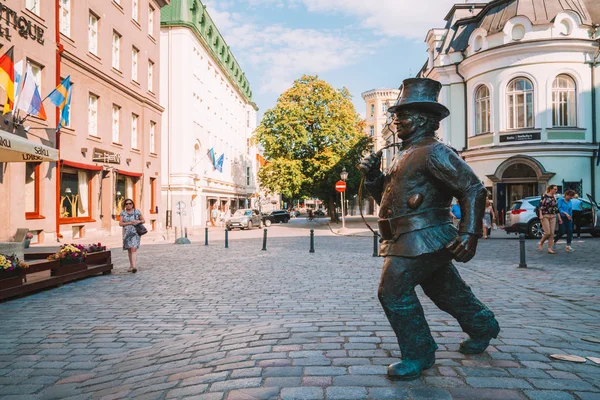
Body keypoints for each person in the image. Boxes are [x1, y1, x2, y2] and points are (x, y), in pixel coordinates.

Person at [359, 78, 499, 381]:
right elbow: (387, 198)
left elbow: (473, 189)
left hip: (425, 235)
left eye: (403, 116)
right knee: (445, 290)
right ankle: (482, 326)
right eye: (396, 116)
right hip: (407, 237)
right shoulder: (404, 154)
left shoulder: (435, 152)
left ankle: (419, 353)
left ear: (423, 120)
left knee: (393, 291)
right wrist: (373, 176)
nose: (396, 122)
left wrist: (469, 234)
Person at [118, 199, 145, 273]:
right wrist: (129, 223)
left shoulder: (137, 212)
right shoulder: (123, 213)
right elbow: (120, 223)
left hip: (136, 233)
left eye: (130, 203)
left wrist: (138, 221)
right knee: (130, 249)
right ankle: (131, 266)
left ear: (132, 204)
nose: (128, 205)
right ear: (125, 205)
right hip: (127, 233)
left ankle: (133, 267)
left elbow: (143, 220)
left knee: (133, 248)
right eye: (126, 204)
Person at [538, 185, 561, 254]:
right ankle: (541, 242)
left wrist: (559, 218)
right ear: (550, 189)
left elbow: (556, 208)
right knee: (547, 232)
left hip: (553, 215)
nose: (556, 190)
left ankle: (549, 248)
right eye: (555, 189)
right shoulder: (544, 196)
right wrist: (540, 215)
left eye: (556, 189)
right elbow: (540, 206)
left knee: (552, 233)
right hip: (545, 215)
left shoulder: (555, 197)